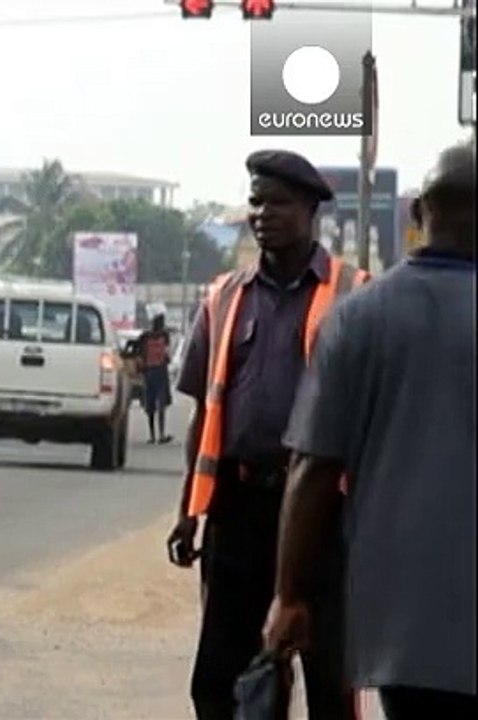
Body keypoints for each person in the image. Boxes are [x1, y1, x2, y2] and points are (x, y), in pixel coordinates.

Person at [265, 141, 477, 719]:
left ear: (415, 216)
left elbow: (312, 467)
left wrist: (289, 595)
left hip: (404, 629)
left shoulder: (358, 318)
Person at [167, 149, 370, 720]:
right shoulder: (224, 298)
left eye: (278, 203)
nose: (263, 213)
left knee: (329, 676)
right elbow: (204, 415)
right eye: (256, 201)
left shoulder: (356, 297)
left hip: (325, 516)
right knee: (222, 680)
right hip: (239, 512)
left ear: (311, 211)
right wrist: (190, 508)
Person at [139, 313, 174, 444]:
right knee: (160, 404)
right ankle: (160, 435)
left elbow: (141, 353)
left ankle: (153, 435)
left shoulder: (146, 336)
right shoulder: (163, 336)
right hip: (159, 372)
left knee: (152, 405)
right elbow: (166, 353)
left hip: (150, 372)